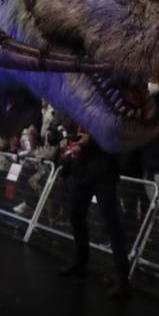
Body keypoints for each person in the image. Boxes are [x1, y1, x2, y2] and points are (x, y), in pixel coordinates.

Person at [56, 123, 132, 299]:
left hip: (103, 174)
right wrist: (65, 170)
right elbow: (74, 145)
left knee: (112, 224)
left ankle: (122, 277)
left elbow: (115, 138)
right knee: (76, 216)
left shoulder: (108, 112)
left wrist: (90, 141)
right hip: (81, 172)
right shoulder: (81, 113)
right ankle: (80, 262)